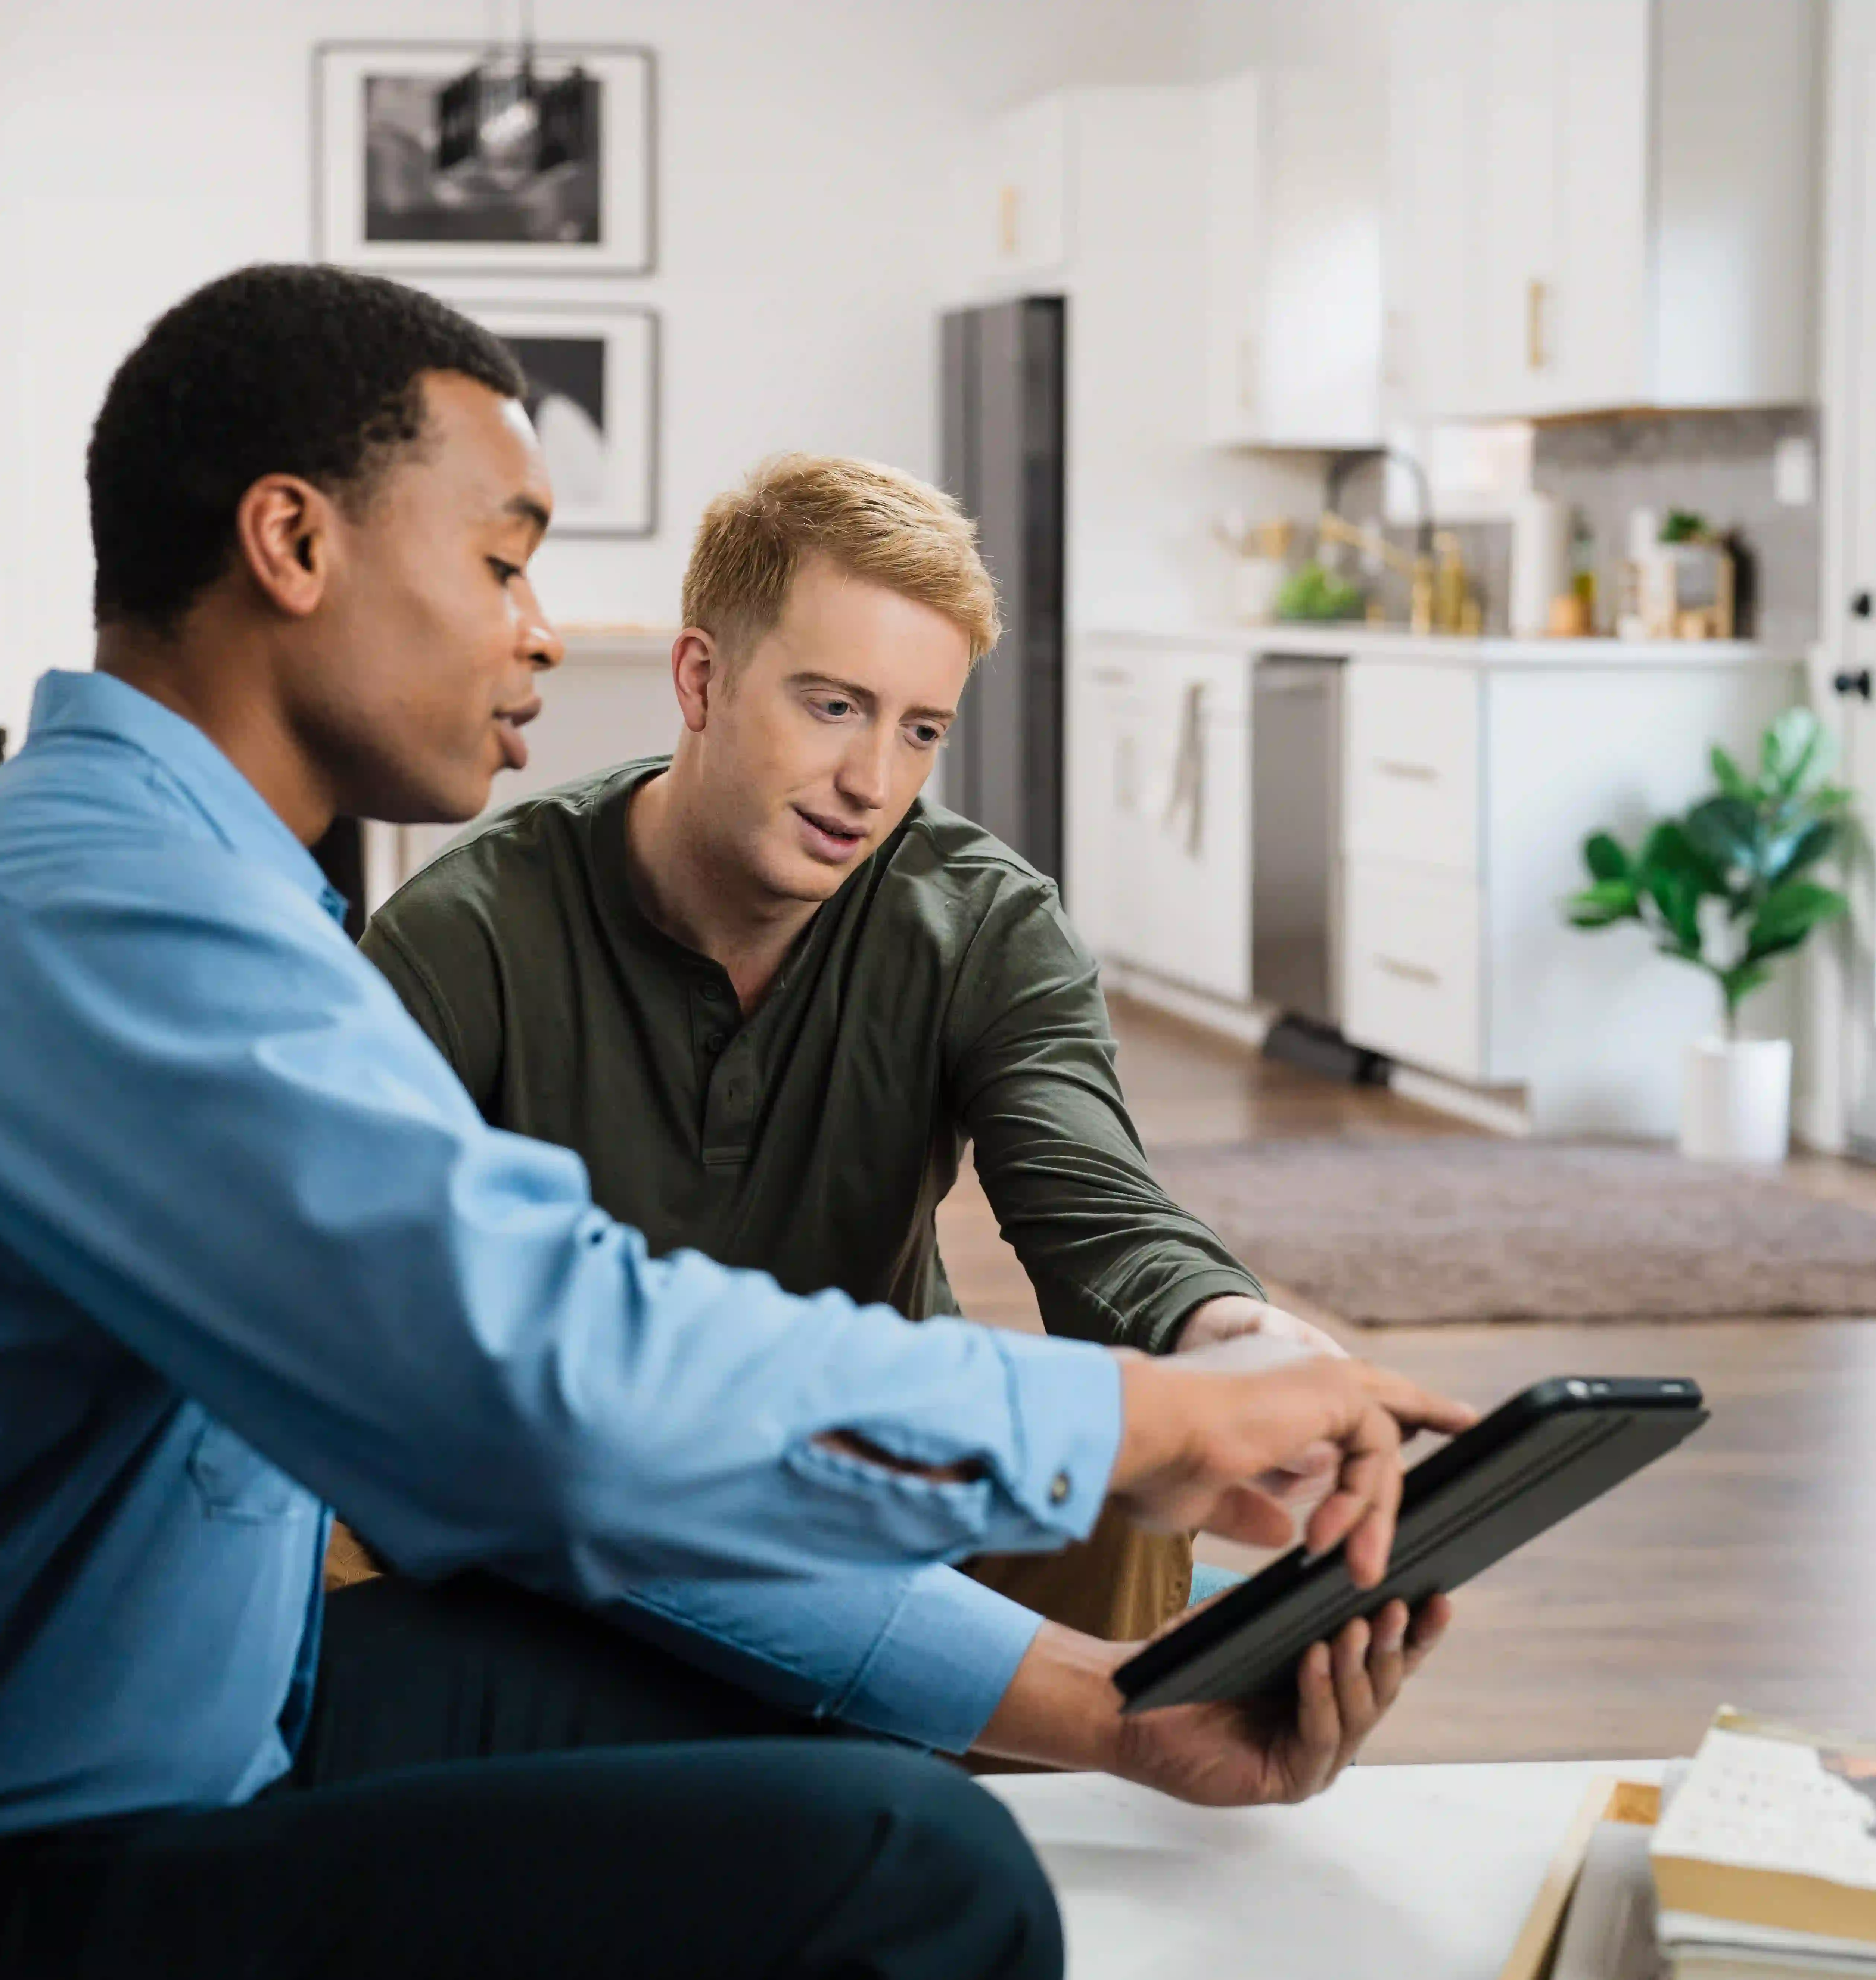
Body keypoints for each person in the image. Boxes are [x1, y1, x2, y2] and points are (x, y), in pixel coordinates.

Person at [0, 265, 1471, 1980]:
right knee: (920, 1873)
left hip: (154, 1720)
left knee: (836, 1768)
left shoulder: (211, 888)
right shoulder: (106, 918)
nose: (539, 630)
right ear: (295, 542)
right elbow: (555, 1393)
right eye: (505, 557)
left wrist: (1107, 1709)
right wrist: (1138, 1426)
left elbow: (564, 1462)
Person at [358, 452, 1366, 1775]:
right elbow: (393, 1350)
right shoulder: (465, 935)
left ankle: (1049, 1836)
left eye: (920, 729)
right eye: (833, 706)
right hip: (594, 1506)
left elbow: (1100, 1215)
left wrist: (1238, 1337)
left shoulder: (982, 920)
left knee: (1127, 1460)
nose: (872, 781)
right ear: (701, 680)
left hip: (886, 1481)